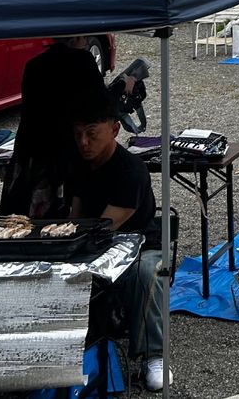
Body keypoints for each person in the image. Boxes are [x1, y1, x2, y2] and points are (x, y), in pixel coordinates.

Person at [70, 92, 164, 389]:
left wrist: (75, 237)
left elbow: (104, 227)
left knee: (148, 273)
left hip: (139, 244)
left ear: (114, 129)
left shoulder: (131, 171)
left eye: (92, 134)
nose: (84, 142)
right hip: (93, 239)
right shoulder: (80, 166)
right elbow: (75, 216)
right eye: (78, 135)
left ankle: (154, 355)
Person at [1, 34, 107, 217]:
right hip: (65, 154)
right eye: (86, 40)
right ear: (77, 38)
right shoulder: (83, 61)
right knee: (62, 220)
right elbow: (100, 107)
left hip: (31, 153)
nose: (86, 44)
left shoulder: (34, 65)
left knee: (25, 221)